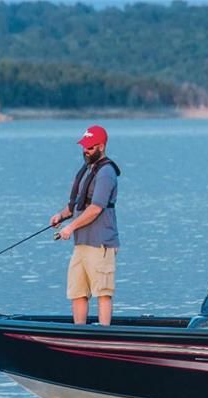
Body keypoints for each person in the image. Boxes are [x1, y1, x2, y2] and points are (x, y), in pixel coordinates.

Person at [50, 125, 121, 326]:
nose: (85, 151)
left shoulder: (106, 172)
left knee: (103, 292)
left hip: (101, 243)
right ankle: (79, 332)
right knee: (77, 292)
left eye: (90, 147)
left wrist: (70, 228)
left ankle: (104, 333)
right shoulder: (87, 170)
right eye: (84, 146)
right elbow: (77, 206)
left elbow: (96, 208)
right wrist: (61, 217)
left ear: (101, 146)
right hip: (81, 244)